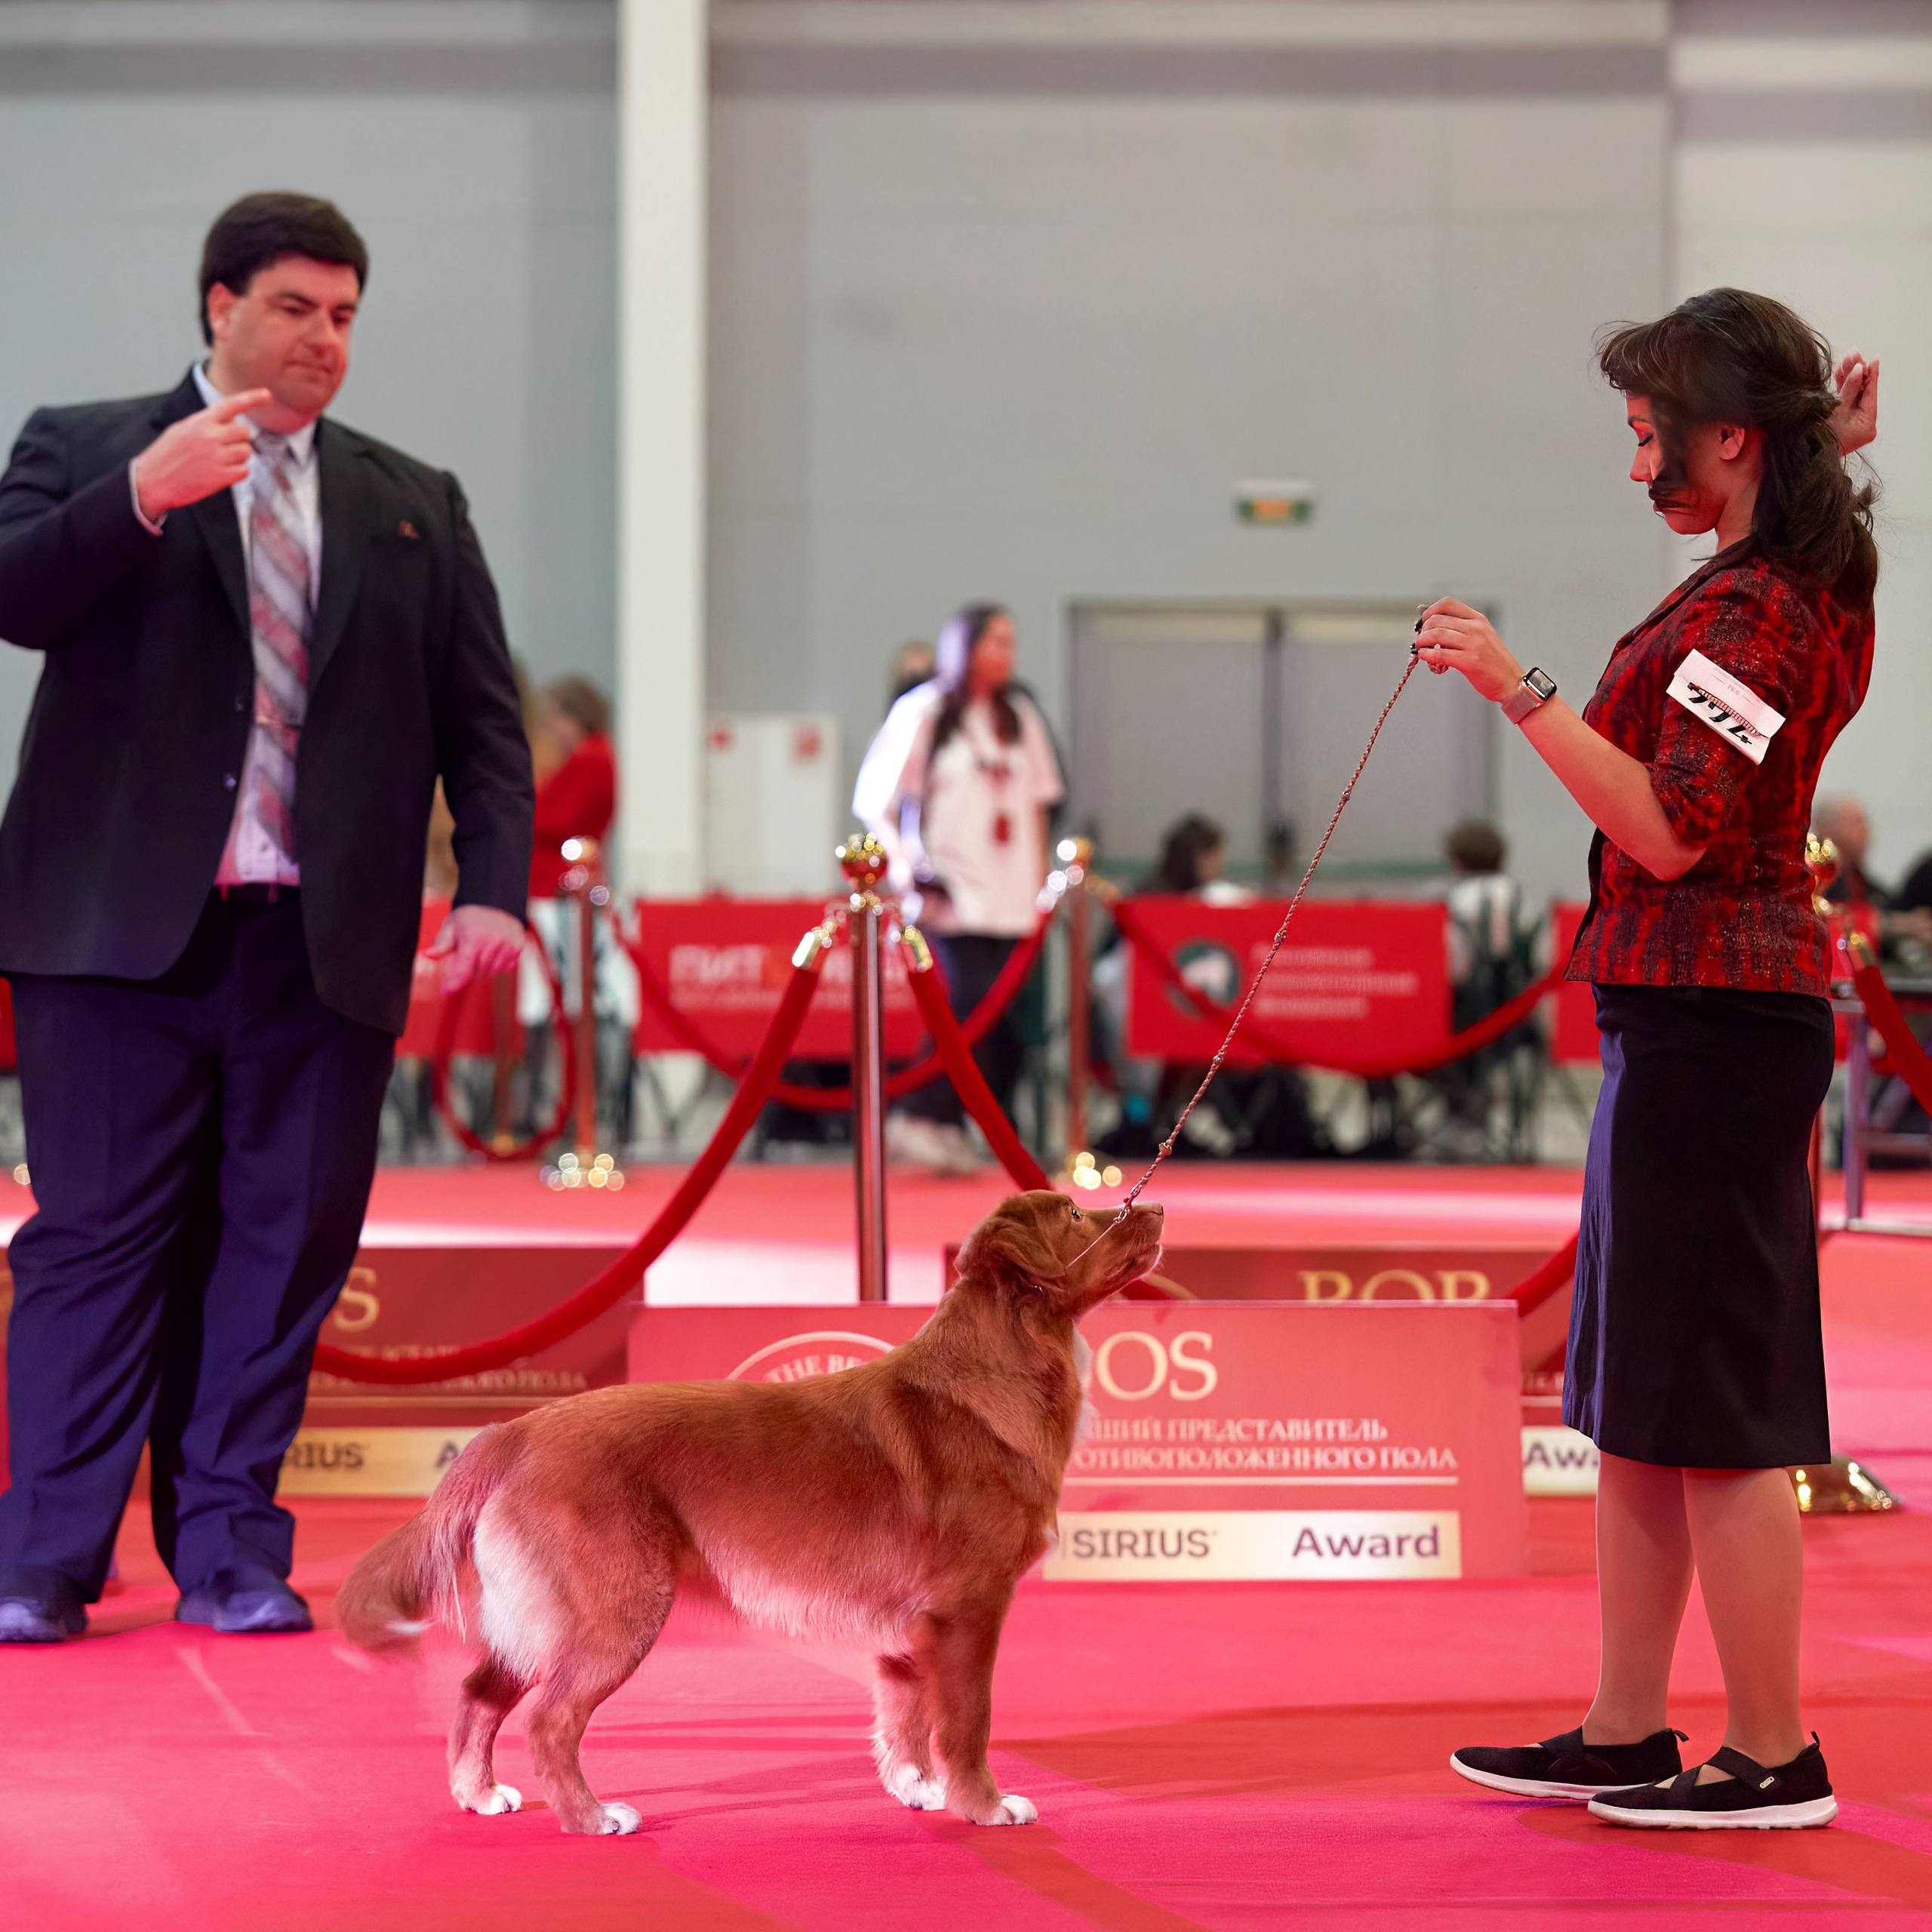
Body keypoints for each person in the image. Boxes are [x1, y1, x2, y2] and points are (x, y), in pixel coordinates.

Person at [0, 192, 532, 1642]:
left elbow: (480, 720)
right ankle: (42, 1558)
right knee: (95, 1242)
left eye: (348, 315)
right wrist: (140, 496)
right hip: (113, 941)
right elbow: (14, 595)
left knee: (282, 1249)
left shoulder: (412, 493)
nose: (326, 340)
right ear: (219, 305)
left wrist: (493, 887)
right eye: (297, 307)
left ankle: (230, 1548)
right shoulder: (85, 445)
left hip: (321, 941)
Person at [1420, 292, 1878, 1827]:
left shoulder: (1756, 610)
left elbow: (1666, 827)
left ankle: (1770, 1749)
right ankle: (1625, 1723)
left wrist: (1513, 683)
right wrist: (1832, 443)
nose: (1635, 467)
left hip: (1715, 1024)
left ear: (1728, 436)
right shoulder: (1780, 573)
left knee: (1716, 1409)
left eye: (1647, 433)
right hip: (1675, 1020)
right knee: (1633, 1399)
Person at [854, 603, 1063, 1174]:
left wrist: (1042, 883)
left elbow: (1040, 803)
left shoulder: (1018, 715)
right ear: (964, 648)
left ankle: (967, 1125)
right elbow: (877, 802)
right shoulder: (924, 711)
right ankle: (924, 1115)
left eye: (1010, 643)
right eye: (993, 642)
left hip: (1013, 896)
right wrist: (905, 866)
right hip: (949, 893)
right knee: (962, 1006)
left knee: (1001, 1019)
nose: (1005, 654)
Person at [529, 674, 617, 902]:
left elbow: (563, 820)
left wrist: (515, 808)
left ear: (574, 719)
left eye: (555, 720)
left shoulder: (589, 757)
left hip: (560, 878)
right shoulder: (597, 754)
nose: (553, 731)